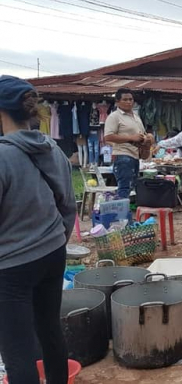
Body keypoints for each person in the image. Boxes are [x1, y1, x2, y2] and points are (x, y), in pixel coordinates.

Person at [0, 76, 76, 384]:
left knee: (17, 350)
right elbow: (68, 205)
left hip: (11, 268)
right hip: (53, 252)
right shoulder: (52, 149)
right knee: (49, 330)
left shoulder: (3, 157)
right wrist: (57, 240)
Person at [104, 88, 149, 199]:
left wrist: (147, 138)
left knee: (130, 187)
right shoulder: (114, 116)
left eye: (130, 99)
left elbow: (142, 134)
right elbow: (108, 136)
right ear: (117, 102)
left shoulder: (136, 117)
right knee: (124, 188)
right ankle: (121, 215)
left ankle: (124, 213)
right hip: (122, 155)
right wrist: (130, 138)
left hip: (135, 156)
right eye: (125, 99)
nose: (129, 102)